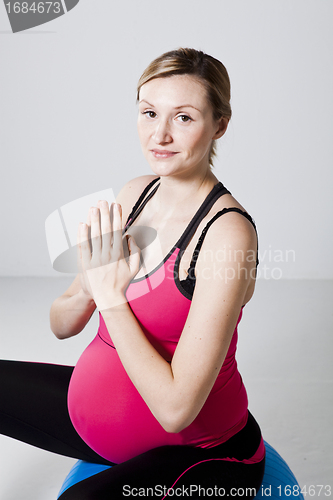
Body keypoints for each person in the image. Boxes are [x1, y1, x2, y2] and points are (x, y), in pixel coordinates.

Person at [0, 48, 265, 499]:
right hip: (95, 424)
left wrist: (110, 297)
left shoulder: (227, 235)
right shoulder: (135, 193)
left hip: (202, 450)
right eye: (148, 113)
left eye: (184, 118)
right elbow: (62, 325)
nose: (159, 135)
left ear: (219, 124)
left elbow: (176, 410)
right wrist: (90, 281)